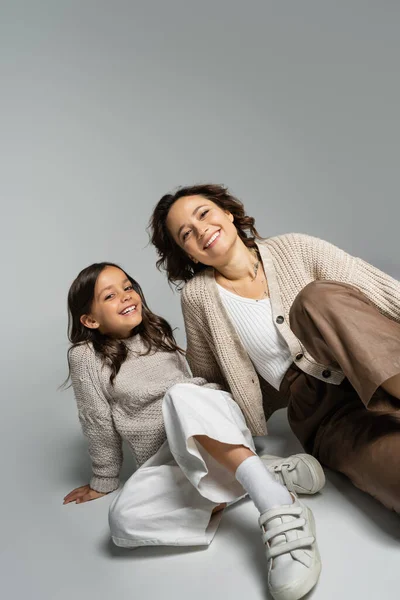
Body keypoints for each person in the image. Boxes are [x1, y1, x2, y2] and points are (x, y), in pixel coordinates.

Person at [63, 261, 324, 600]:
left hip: (210, 425)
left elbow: (196, 391)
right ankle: (261, 474)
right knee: (123, 521)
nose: (127, 297)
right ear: (90, 320)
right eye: (110, 296)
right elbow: (96, 420)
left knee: (180, 394)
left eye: (128, 287)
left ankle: (276, 505)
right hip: (171, 458)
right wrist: (104, 479)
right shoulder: (85, 356)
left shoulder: (157, 332)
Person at [149, 183, 400, 515]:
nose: (201, 231)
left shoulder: (294, 247)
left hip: (379, 362)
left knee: (314, 299)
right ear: (189, 254)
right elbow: (212, 383)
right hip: (327, 415)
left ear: (227, 213)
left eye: (204, 214)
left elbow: (382, 291)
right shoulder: (198, 298)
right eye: (186, 234)